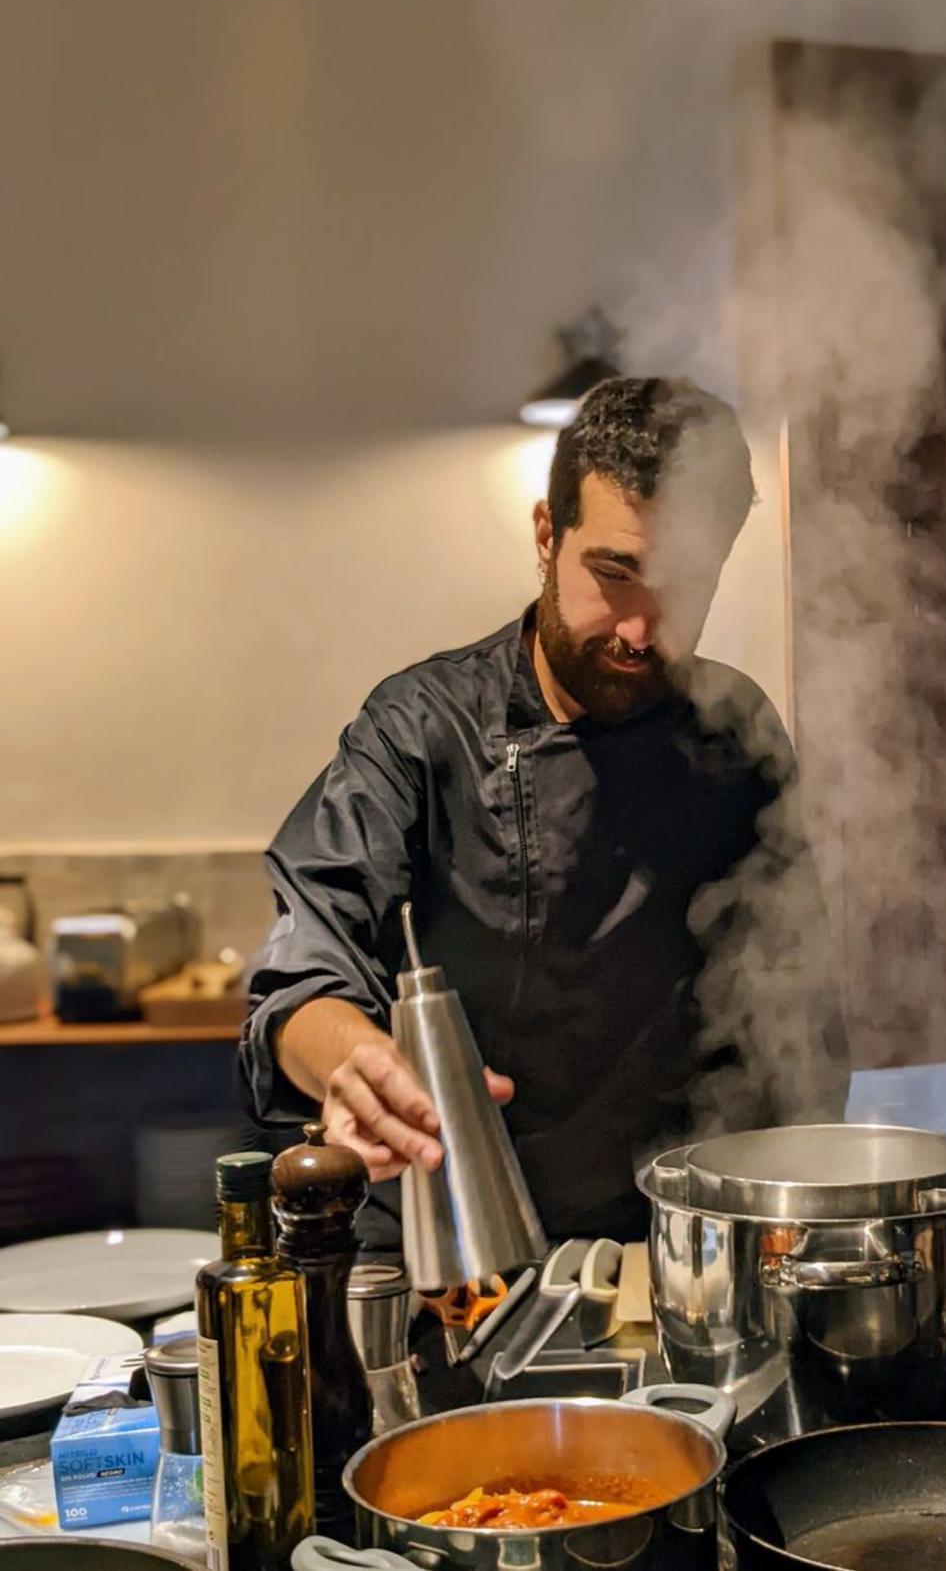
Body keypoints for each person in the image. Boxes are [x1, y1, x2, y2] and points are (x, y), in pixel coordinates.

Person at [240, 377, 848, 1243]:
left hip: (670, 1238)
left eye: (684, 583)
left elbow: (798, 1011)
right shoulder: (421, 727)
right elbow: (300, 978)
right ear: (545, 535)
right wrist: (357, 1064)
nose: (641, 629)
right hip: (445, 1233)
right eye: (615, 573)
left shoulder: (735, 732)